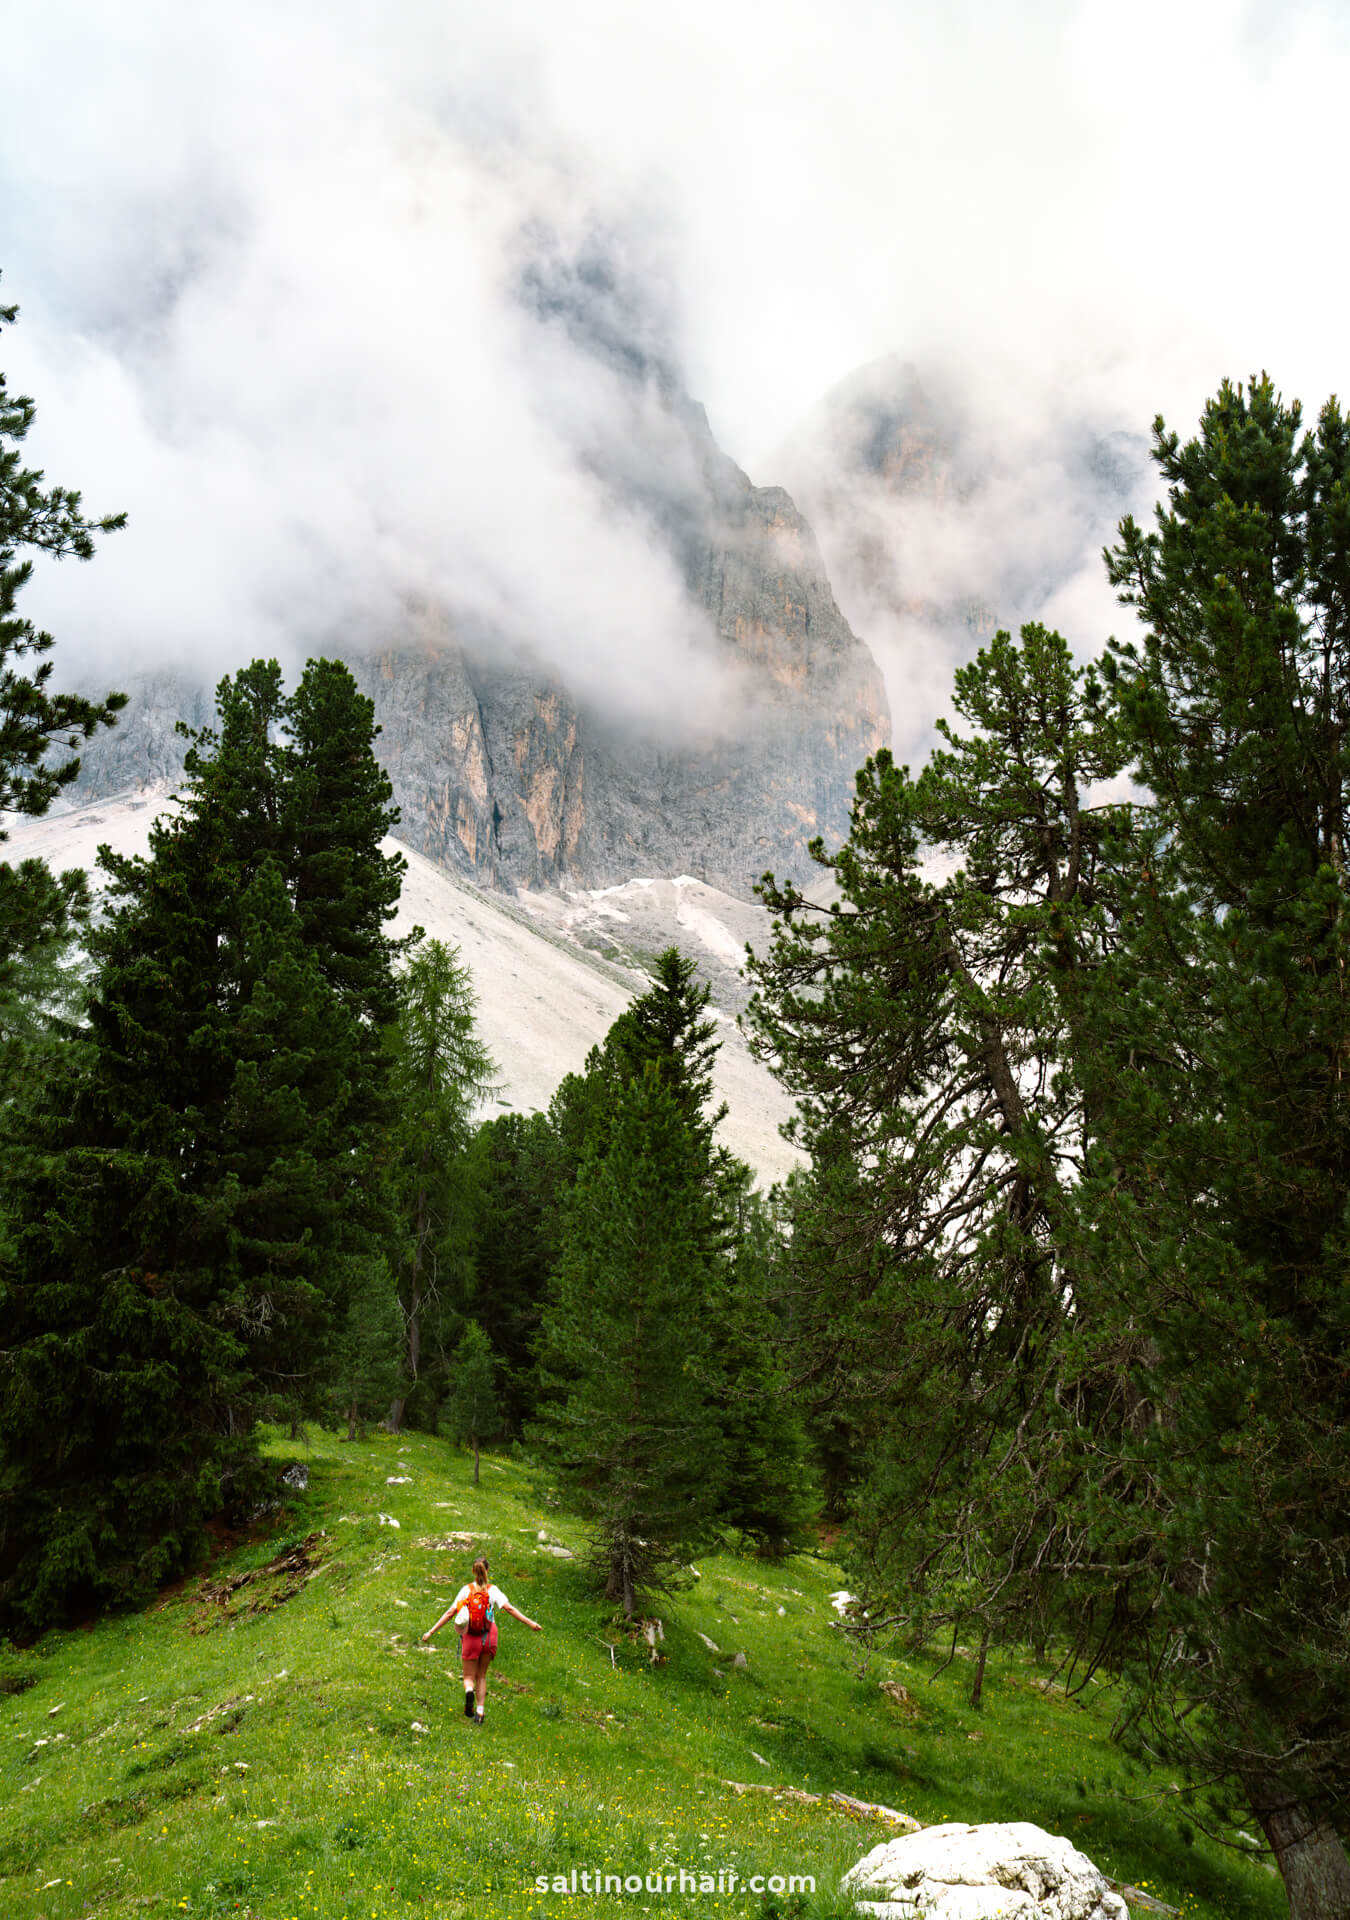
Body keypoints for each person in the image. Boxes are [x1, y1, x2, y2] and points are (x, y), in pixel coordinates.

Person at [422, 1555, 541, 1726]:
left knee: (469, 1676)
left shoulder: (466, 1590)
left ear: (473, 1571)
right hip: (489, 1636)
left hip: (471, 1636)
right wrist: (531, 1623)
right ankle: (480, 1713)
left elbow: (450, 1613)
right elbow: (509, 1608)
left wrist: (431, 1632)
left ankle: (469, 1690)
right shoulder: (493, 1590)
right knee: (482, 1675)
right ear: (488, 1571)